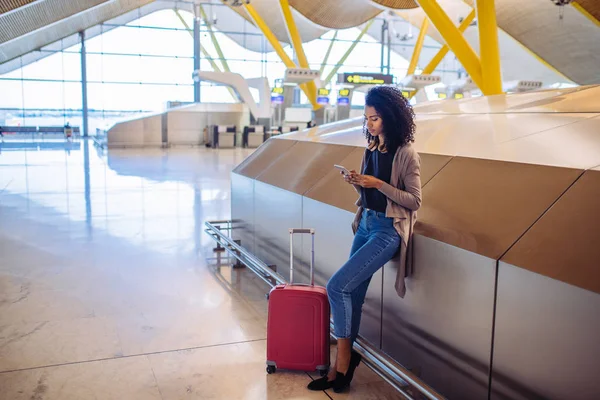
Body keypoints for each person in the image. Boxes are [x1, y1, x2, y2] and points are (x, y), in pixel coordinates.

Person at [308, 85, 422, 393]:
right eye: (367, 118)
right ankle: (341, 366)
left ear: (391, 118)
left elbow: (413, 200)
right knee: (353, 295)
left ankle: (342, 361)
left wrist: (378, 183)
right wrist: (357, 182)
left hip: (387, 232)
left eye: (375, 118)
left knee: (336, 286)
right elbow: (370, 195)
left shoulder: (406, 153)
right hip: (366, 225)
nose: (369, 124)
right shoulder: (371, 148)